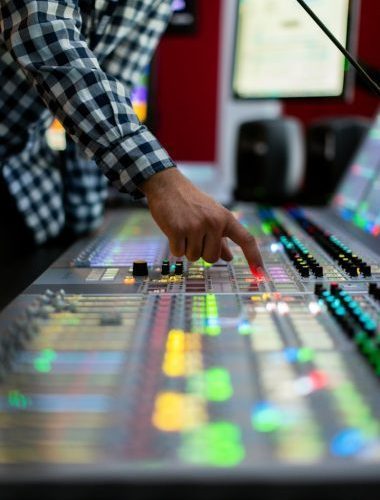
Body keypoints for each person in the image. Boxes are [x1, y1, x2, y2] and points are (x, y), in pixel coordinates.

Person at [0, 0, 263, 268]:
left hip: (22, 176)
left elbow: (113, 90)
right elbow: (44, 37)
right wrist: (162, 181)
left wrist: (84, 223)